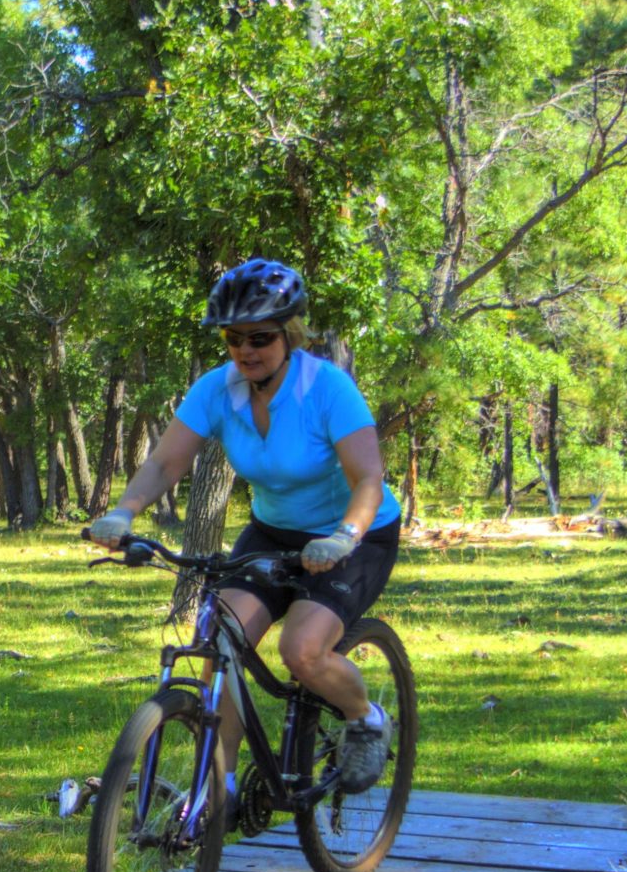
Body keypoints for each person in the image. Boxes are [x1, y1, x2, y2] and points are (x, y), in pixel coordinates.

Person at [86, 258, 403, 794]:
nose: (246, 351)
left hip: (355, 534)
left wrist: (343, 536)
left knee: (301, 651)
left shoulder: (326, 389)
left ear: (290, 335)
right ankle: (220, 786)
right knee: (220, 638)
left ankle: (366, 718)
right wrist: (124, 512)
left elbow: (368, 478)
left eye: (260, 337)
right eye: (234, 339)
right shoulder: (218, 390)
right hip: (274, 532)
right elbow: (165, 463)